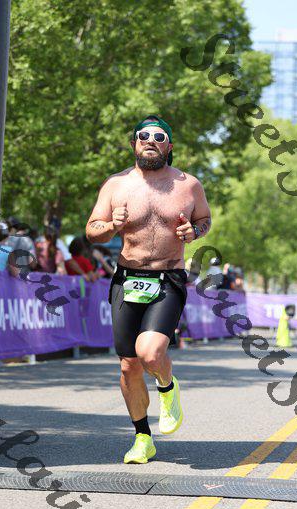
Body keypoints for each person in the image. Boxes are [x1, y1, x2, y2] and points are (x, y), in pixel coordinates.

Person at [86, 114, 211, 464]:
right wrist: (112, 225)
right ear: (134, 144)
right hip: (126, 279)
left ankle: (167, 388)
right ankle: (143, 438)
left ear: (169, 146)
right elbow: (92, 231)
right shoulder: (116, 185)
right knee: (129, 366)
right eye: (144, 136)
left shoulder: (188, 185)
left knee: (151, 353)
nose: (150, 141)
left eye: (159, 137)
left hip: (168, 278)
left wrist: (195, 232)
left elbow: (204, 219)